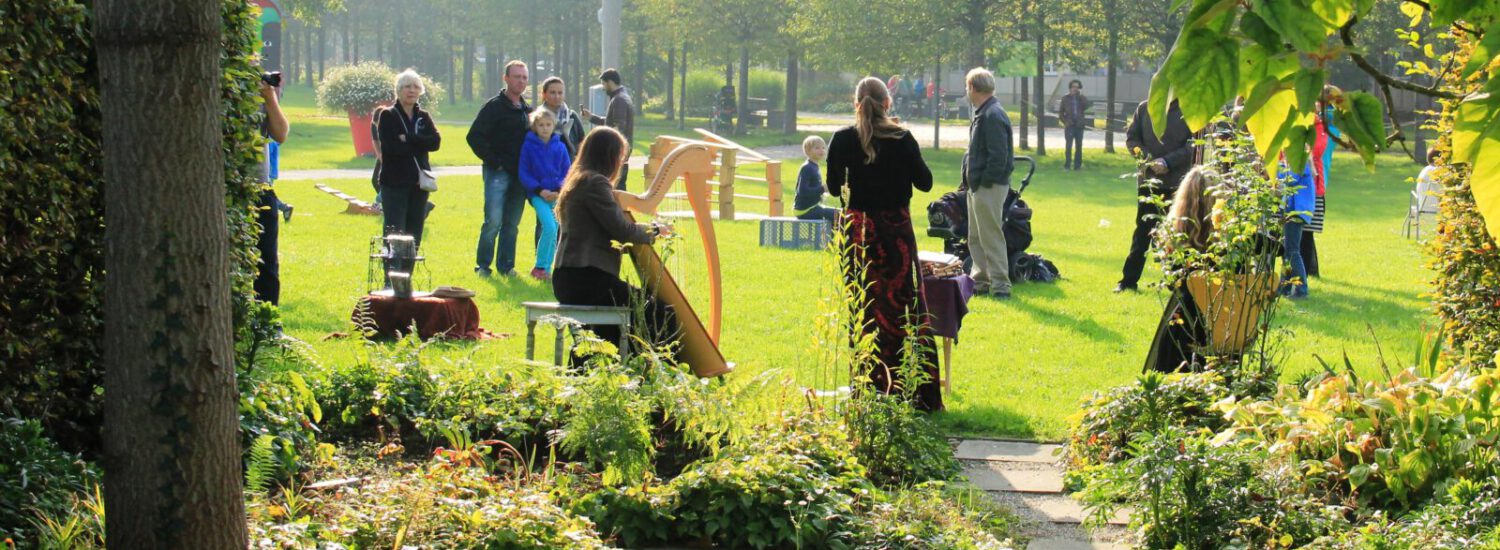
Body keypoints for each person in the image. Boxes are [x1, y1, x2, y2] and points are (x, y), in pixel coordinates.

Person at [827, 76, 942, 412]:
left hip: (858, 235)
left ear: (856, 102)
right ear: (887, 103)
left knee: (863, 310)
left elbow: (835, 189)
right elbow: (925, 182)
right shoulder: (902, 138)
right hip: (895, 234)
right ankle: (912, 389)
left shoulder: (842, 139)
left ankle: (868, 388)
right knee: (904, 308)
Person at [553, 127, 678, 354]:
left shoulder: (578, 181)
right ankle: (646, 372)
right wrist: (656, 230)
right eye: (620, 158)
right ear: (609, 156)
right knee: (662, 313)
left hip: (570, 278)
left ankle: (622, 367)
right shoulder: (595, 183)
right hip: (587, 279)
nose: (621, 164)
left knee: (617, 330)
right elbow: (623, 231)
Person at [1116, 99, 1194, 293]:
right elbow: (1132, 139)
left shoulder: (1190, 109)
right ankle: (1128, 282)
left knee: (1177, 234)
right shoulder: (1144, 108)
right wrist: (1149, 161)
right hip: (1148, 182)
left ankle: (1177, 284)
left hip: (1179, 184)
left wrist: (1167, 162)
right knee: (1142, 232)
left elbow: (1193, 145)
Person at [1144, 167, 1216, 372]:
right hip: (1224, 321)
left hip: (1184, 325)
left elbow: (1171, 285)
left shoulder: (1174, 236)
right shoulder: (1231, 240)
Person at [467, 60, 533, 277]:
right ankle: (483, 266)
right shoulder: (493, 107)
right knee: (493, 221)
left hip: (520, 175)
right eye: (517, 77)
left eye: (524, 77)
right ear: (506, 79)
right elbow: (474, 137)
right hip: (498, 172)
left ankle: (506, 266)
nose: (521, 81)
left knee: (511, 224)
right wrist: (494, 161)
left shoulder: (527, 110)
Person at [377, 69, 442, 277]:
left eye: (415, 87)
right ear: (398, 90)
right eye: (407, 86)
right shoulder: (388, 115)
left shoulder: (423, 116)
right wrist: (418, 143)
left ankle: (407, 276)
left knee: (415, 231)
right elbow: (391, 148)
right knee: (394, 231)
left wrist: (411, 138)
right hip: (394, 183)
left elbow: (436, 142)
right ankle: (391, 276)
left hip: (419, 184)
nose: (411, 91)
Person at [962, 67, 1015, 299]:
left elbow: (999, 157)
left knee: (991, 236)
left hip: (988, 187)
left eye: (967, 87)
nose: (967, 92)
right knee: (975, 237)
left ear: (973, 87)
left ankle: (1001, 285)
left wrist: (984, 182)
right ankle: (980, 280)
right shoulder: (985, 112)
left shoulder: (992, 114)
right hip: (977, 185)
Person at [518, 109, 571, 281]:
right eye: (541, 125)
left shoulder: (560, 146)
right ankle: (540, 266)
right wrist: (539, 190)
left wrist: (558, 191)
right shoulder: (528, 146)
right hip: (538, 196)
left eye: (548, 125)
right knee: (548, 227)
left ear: (553, 125)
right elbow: (524, 172)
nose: (545, 128)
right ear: (534, 126)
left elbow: (568, 172)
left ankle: (545, 269)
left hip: (556, 196)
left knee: (554, 229)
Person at [253, 74, 289, 305]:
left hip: (261, 186)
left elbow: (281, 133)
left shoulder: (262, 98)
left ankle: (268, 321)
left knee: (267, 260)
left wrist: (269, 98)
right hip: (234, 187)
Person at [1305, 86, 1345, 278]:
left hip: (1312, 179)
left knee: (1303, 229)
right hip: (1321, 180)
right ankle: (1311, 270)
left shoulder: (1321, 123)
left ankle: (1309, 270)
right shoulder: (1334, 125)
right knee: (1307, 231)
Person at [581, 68, 635, 190]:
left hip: (616, 150)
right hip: (620, 148)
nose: (603, 87)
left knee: (617, 187)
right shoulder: (622, 97)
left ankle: (621, 209)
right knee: (616, 186)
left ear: (610, 82)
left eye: (603, 84)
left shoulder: (619, 100)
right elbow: (610, 123)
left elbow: (617, 128)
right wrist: (591, 117)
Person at [794, 135, 839, 223]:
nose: (821, 150)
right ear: (808, 151)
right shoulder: (807, 167)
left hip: (812, 207)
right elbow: (802, 191)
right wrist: (823, 188)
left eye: (823, 147)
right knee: (838, 215)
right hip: (804, 210)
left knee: (839, 214)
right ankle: (835, 236)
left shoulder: (814, 166)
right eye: (817, 148)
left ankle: (833, 236)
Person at [539, 76, 585, 156]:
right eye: (552, 92)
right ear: (544, 94)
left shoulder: (572, 116)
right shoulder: (537, 117)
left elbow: (582, 143)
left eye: (560, 93)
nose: (557, 96)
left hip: (570, 165)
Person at [1058, 80, 1091, 171]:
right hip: (1069, 126)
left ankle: (1077, 166)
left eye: (1077, 87)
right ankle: (1067, 165)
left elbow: (1087, 105)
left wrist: (1081, 96)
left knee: (1079, 146)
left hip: (1079, 126)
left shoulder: (1081, 98)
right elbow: (1061, 113)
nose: (1075, 89)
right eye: (1073, 87)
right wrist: (1065, 122)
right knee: (1068, 146)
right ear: (1070, 88)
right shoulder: (1065, 98)